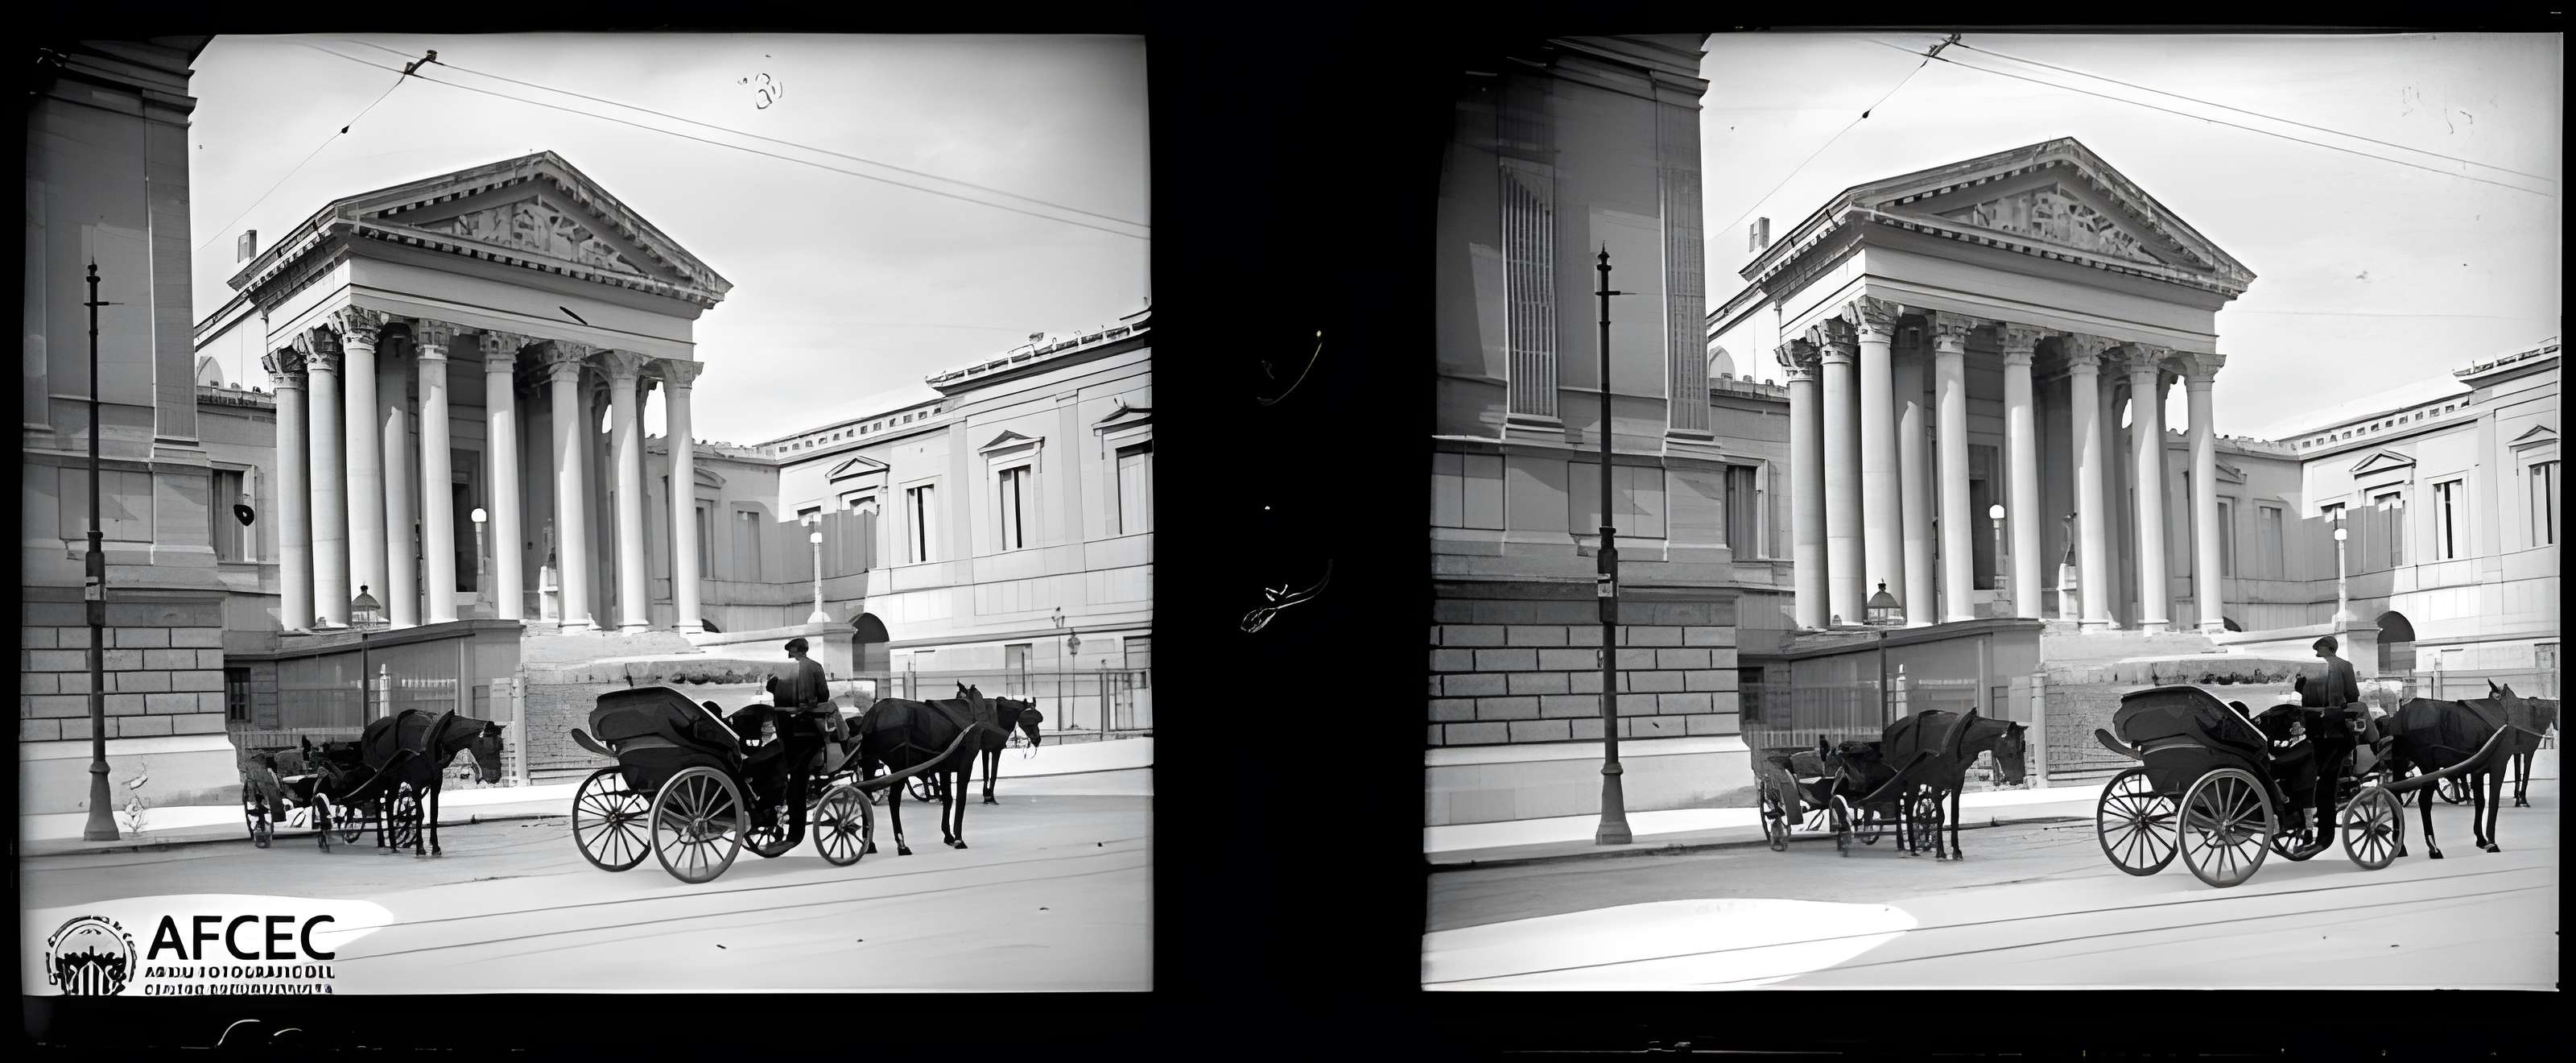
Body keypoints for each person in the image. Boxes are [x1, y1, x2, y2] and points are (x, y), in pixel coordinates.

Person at [2305, 635, 2363, 843]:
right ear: (2333, 649)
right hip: (2335, 730)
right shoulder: (2344, 666)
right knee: (2328, 785)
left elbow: (2302, 695)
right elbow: (2353, 696)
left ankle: (2307, 825)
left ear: (2322, 649)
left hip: (2312, 731)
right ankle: (2325, 833)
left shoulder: (2310, 669)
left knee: (2313, 778)